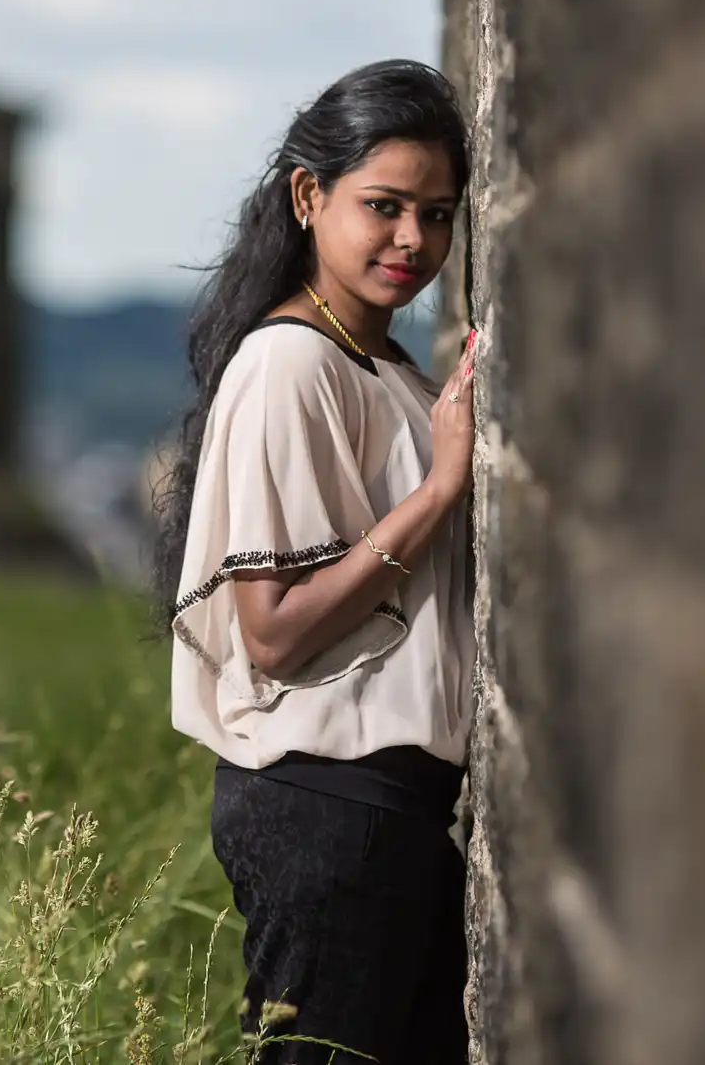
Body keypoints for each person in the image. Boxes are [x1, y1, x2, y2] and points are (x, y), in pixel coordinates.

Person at [155, 59, 477, 1062]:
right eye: (381, 207)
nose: (410, 240)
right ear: (308, 195)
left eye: (436, 213)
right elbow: (276, 628)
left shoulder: (377, 365)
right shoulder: (288, 362)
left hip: (386, 815)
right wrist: (437, 491)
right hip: (325, 811)